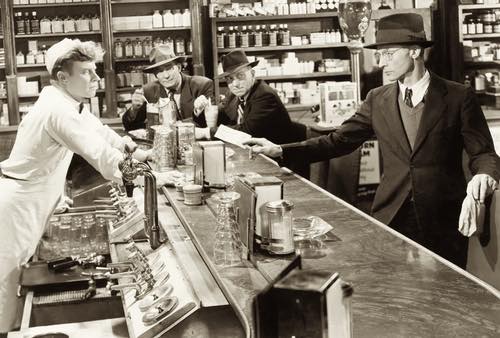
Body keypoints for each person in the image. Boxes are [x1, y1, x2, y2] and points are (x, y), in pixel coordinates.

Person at [244, 13, 500, 269]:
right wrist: (280, 150)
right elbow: (338, 140)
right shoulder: (378, 99)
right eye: (379, 55)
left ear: (414, 51)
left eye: (388, 54)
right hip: (391, 216)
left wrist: (483, 176)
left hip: (444, 219)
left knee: (447, 295)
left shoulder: (458, 96)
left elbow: (484, 154)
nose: (380, 62)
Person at [0, 39, 168, 332]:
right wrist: (149, 177)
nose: (97, 78)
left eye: (95, 70)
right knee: (6, 282)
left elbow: (103, 134)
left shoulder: (68, 102)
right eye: (87, 72)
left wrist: (145, 154)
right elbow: (100, 155)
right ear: (63, 78)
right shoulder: (58, 110)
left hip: (35, 200)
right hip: (18, 207)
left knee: (14, 280)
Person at [196, 49, 298, 145]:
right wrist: (201, 110)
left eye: (240, 76)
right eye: (229, 79)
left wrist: (207, 132)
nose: (235, 83)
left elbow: (246, 132)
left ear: (252, 74)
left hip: (279, 157)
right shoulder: (233, 94)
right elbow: (221, 116)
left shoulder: (265, 96)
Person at [122, 45, 214, 131]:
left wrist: (197, 111)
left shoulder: (202, 85)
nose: (166, 76)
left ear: (178, 67)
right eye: (160, 71)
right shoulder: (148, 91)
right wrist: (134, 110)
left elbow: (207, 122)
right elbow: (130, 127)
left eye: (169, 68)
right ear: (155, 75)